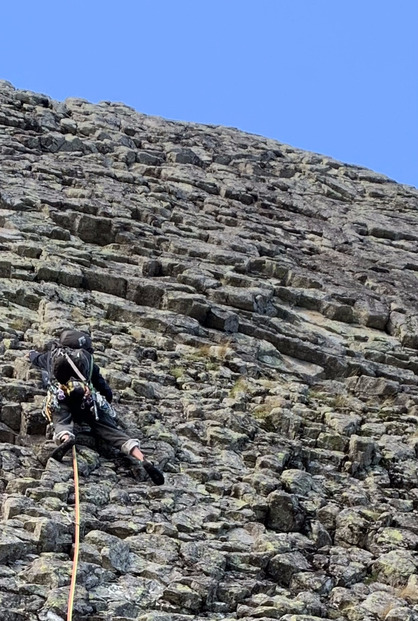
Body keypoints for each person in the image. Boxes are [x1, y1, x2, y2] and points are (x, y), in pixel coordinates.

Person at [28, 329, 164, 485]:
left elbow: (36, 359)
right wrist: (106, 402)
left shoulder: (53, 356)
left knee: (61, 417)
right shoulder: (88, 360)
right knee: (110, 430)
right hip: (86, 400)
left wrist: (30, 354)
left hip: (62, 396)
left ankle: (66, 437)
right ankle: (141, 457)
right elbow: (103, 387)